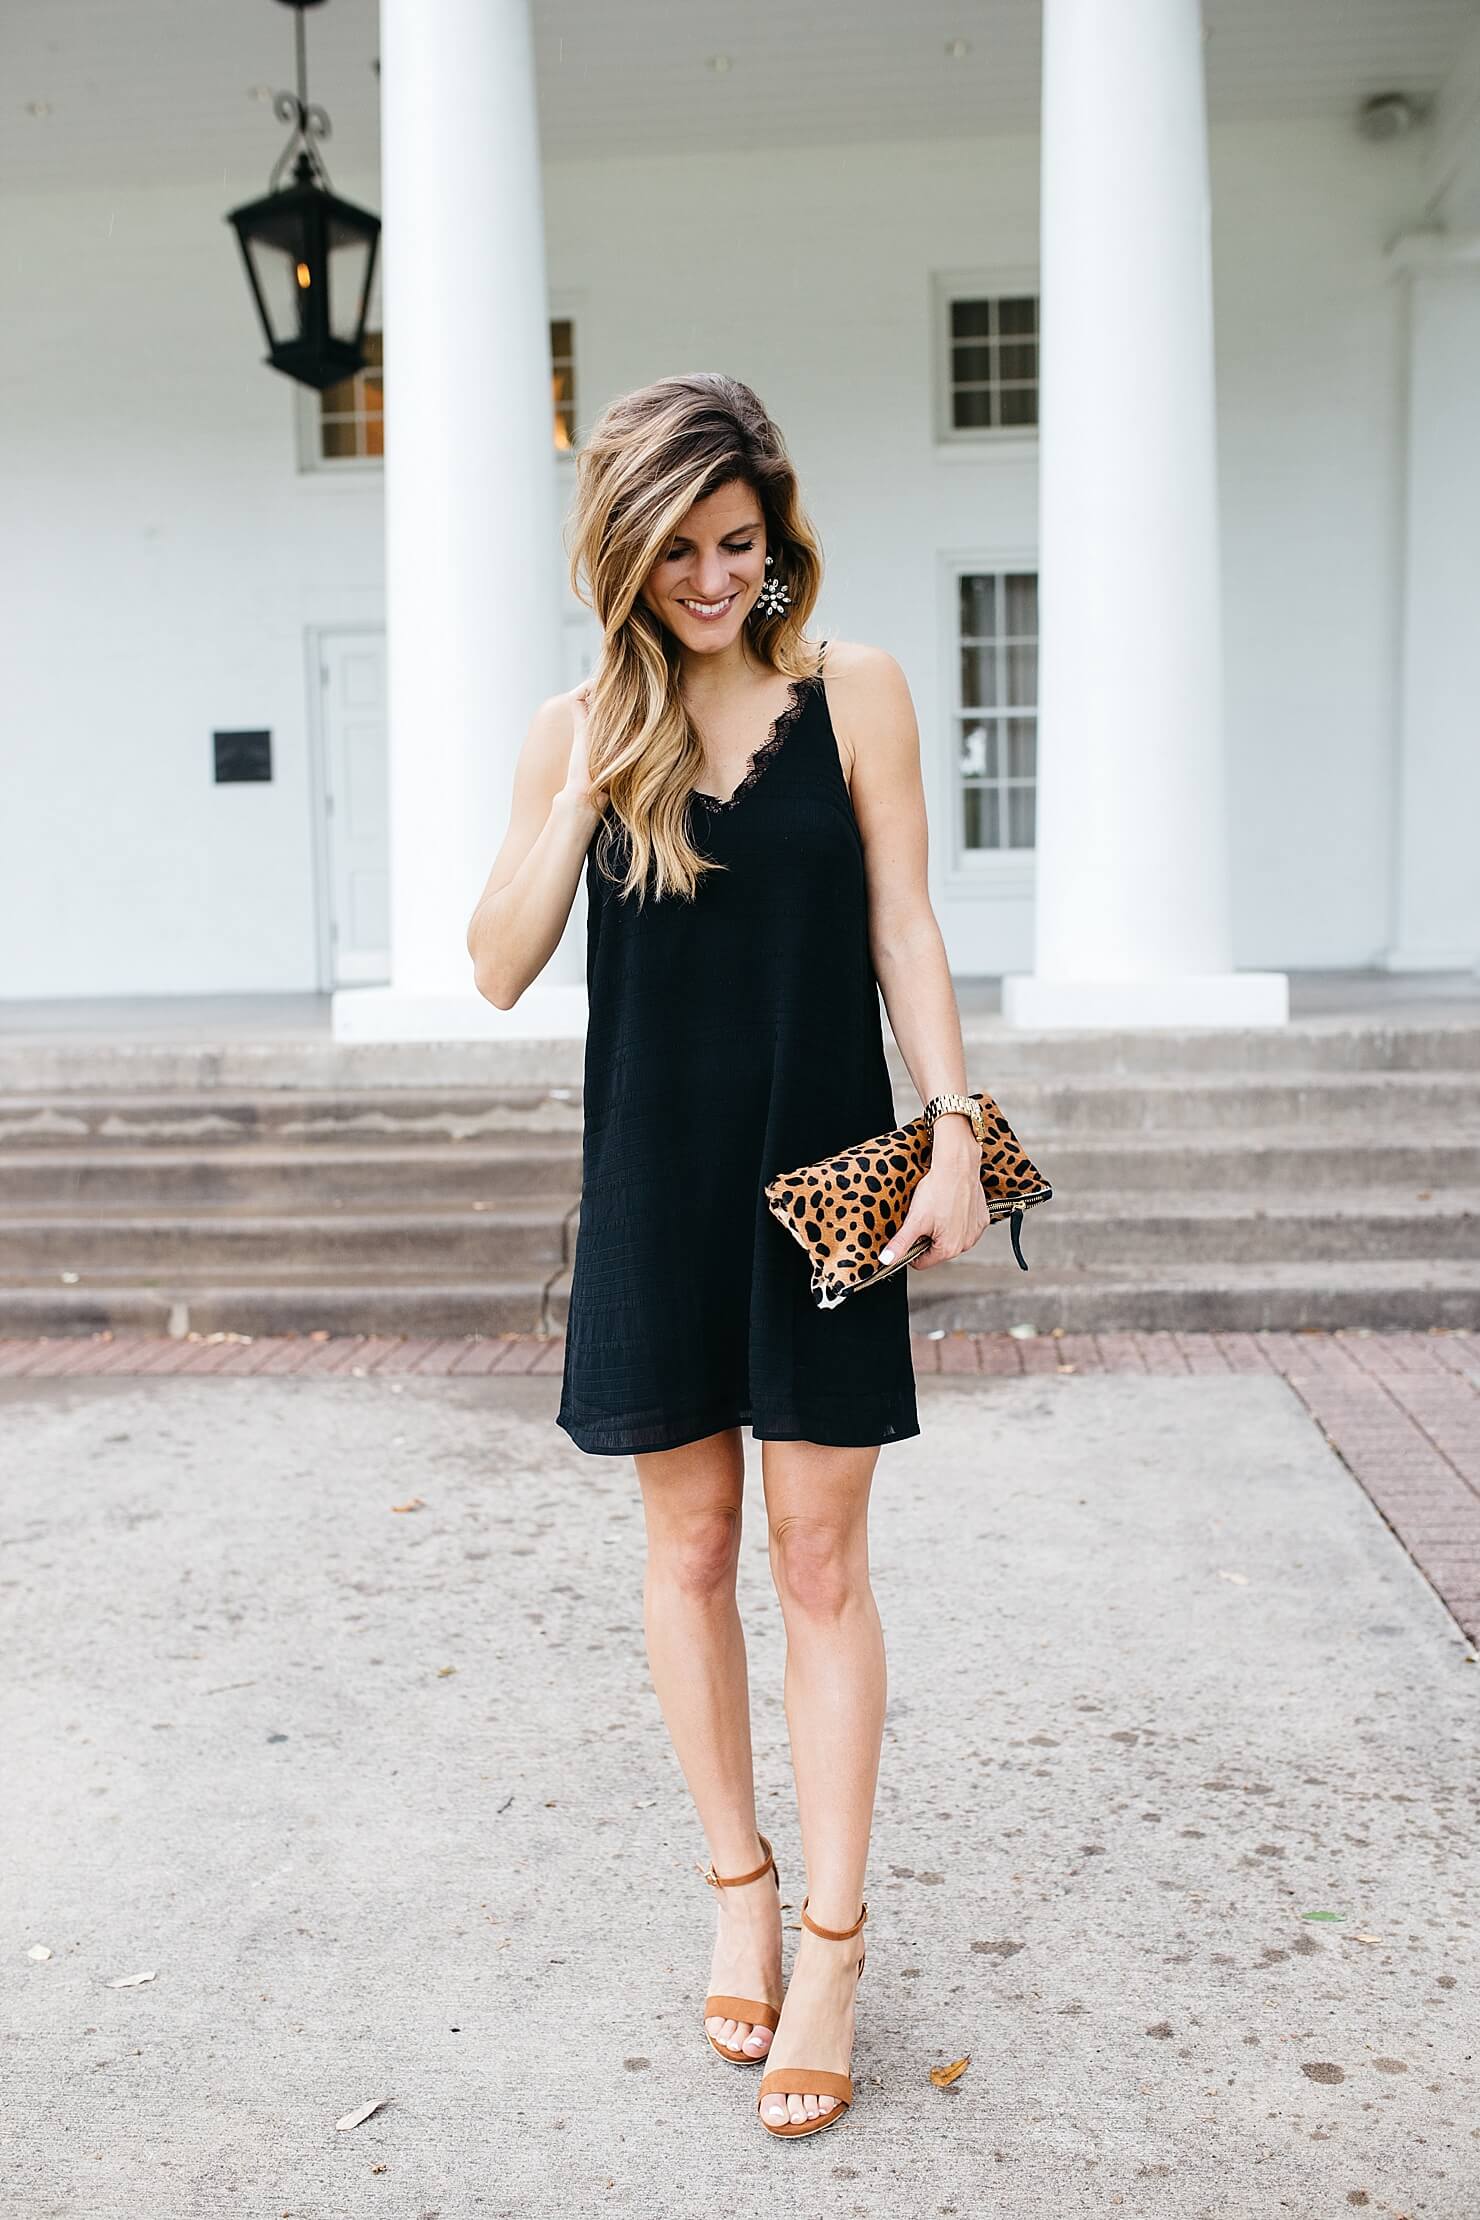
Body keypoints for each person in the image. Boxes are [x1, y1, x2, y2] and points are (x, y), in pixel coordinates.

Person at [466, 373, 990, 2139]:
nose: (711, 578)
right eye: (675, 549)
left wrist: (959, 1131)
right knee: (687, 1548)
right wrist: (590, 769)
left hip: (837, 1164)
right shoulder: (572, 730)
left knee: (821, 1559)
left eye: (737, 543)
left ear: (778, 537)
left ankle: (833, 1950)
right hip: (655, 1188)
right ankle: (739, 1894)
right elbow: (495, 965)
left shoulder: (859, 695)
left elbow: (907, 917)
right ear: (620, 555)